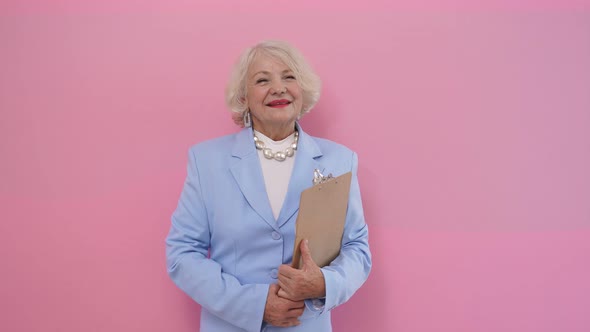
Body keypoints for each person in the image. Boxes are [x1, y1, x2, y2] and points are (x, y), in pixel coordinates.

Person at [165, 40, 371, 332]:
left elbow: (357, 249)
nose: (279, 88)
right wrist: (255, 304)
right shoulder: (206, 161)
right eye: (263, 80)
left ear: (303, 89)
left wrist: (324, 283)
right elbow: (182, 253)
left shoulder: (340, 160)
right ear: (243, 97)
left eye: (289, 77)